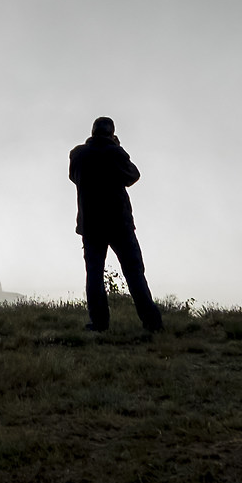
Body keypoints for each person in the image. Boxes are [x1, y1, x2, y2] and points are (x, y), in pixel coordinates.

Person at [70, 116, 163, 333]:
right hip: (118, 223)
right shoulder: (115, 153)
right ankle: (152, 323)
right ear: (111, 133)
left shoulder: (77, 155)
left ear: (92, 132)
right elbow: (132, 175)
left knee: (94, 274)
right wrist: (116, 147)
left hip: (91, 224)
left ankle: (99, 323)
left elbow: (74, 177)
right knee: (134, 272)